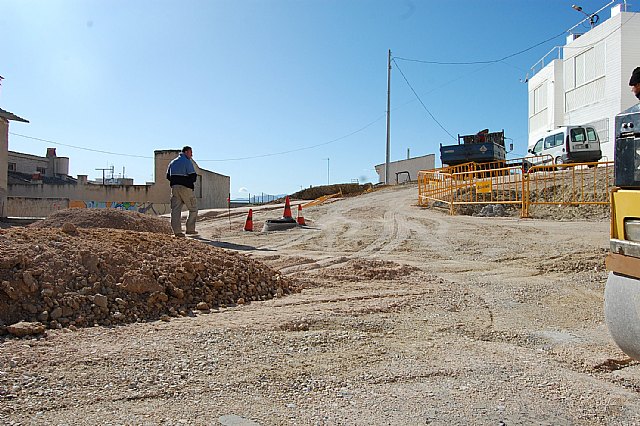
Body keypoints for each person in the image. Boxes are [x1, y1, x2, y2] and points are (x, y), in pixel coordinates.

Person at [166, 146, 198, 237]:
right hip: (186, 188)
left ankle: (177, 232)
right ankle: (190, 229)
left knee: (175, 210)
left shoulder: (172, 162)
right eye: (191, 152)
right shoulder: (187, 162)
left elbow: (168, 176)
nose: (192, 155)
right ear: (186, 152)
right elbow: (193, 176)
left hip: (174, 188)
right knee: (193, 208)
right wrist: (188, 182)